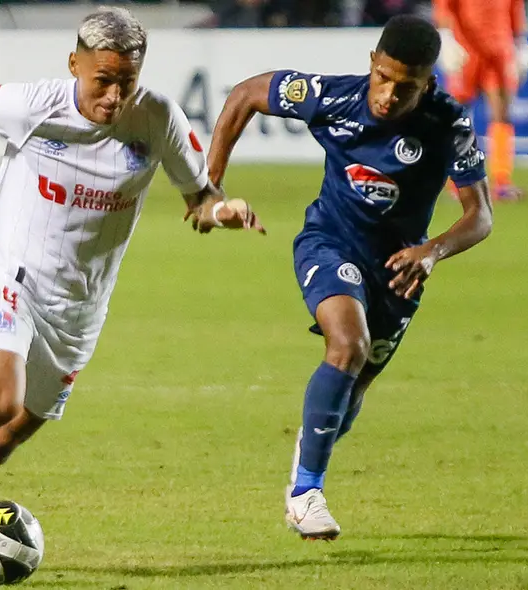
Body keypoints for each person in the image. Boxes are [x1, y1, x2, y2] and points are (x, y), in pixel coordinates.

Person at [0, 7, 265, 574]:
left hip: (80, 311)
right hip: (13, 277)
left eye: (125, 82)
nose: (113, 96)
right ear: (74, 65)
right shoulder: (34, 104)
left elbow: (199, 199)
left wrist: (222, 210)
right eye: (101, 81)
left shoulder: (157, 117)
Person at [206, 15, 492, 540]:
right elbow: (247, 94)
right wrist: (211, 186)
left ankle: (309, 454)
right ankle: (305, 493)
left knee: (353, 389)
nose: (387, 94)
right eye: (382, 77)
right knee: (348, 342)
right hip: (328, 242)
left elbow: (481, 216)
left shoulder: (448, 123)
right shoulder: (331, 97)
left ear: (427, 83)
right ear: (371, 64)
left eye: (405, 86)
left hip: (400, 270)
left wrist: (431, 252)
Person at [434, 0, 528, 201]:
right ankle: (458, 181)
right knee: (458, 115)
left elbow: (514, 9)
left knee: (502, 113)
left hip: (499, 50)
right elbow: (444, 7)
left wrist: (520, 45)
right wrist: (446, 38)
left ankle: (502, 182)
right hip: (466, 50)